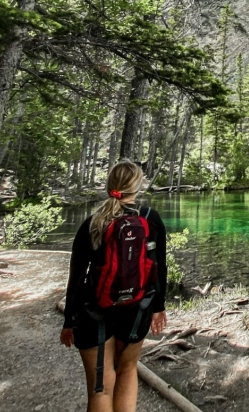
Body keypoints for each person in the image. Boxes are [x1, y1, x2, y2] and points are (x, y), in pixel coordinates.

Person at [60, 161, 168, 412]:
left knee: (101, 386)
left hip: (94, 309)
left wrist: (69, 320)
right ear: (138, 186)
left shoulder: (93, 222)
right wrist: (158, 308)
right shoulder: (151, 218)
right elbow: (159, 268)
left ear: (110, 186)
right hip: (137, 308)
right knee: (128, 370)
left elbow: (76, 278)